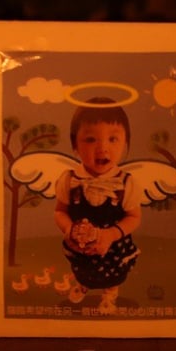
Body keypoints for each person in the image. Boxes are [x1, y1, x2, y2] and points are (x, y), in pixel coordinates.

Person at [54, 97, 143, 315]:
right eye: (91, 139)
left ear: (125, 143)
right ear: (75, 144)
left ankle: (110, 295)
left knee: (113, 274)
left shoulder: (126, 184)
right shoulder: (69, 179)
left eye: (113, 139)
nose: (103, 148)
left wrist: (111, 235)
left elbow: (134, 217)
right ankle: (84, 285)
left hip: (113, 246)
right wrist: (69, 230)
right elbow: (60, 211)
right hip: (81, 245)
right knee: (83, 269)